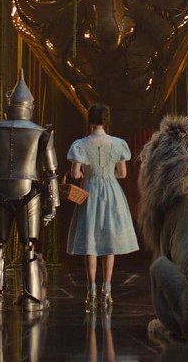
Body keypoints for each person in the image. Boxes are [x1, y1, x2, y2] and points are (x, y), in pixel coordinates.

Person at [0, 71, 59, 312]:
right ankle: (31, 296)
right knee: (28, 245)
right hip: (29, 192)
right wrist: (52, 204)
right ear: (30, 106)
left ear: (9, 106)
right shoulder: (41, 133)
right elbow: (51, 172)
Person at [65, 104, 139, 311]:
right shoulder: (117, 143)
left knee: (91, 241)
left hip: (90, 191)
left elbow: (75, 174)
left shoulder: (81, 144)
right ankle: (107, 289)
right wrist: (107, 176)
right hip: (112, 192)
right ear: (107, 120)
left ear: (90, 120)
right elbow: (122, 174)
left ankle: (91, 290)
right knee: (109, 241)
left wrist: (87, 175)